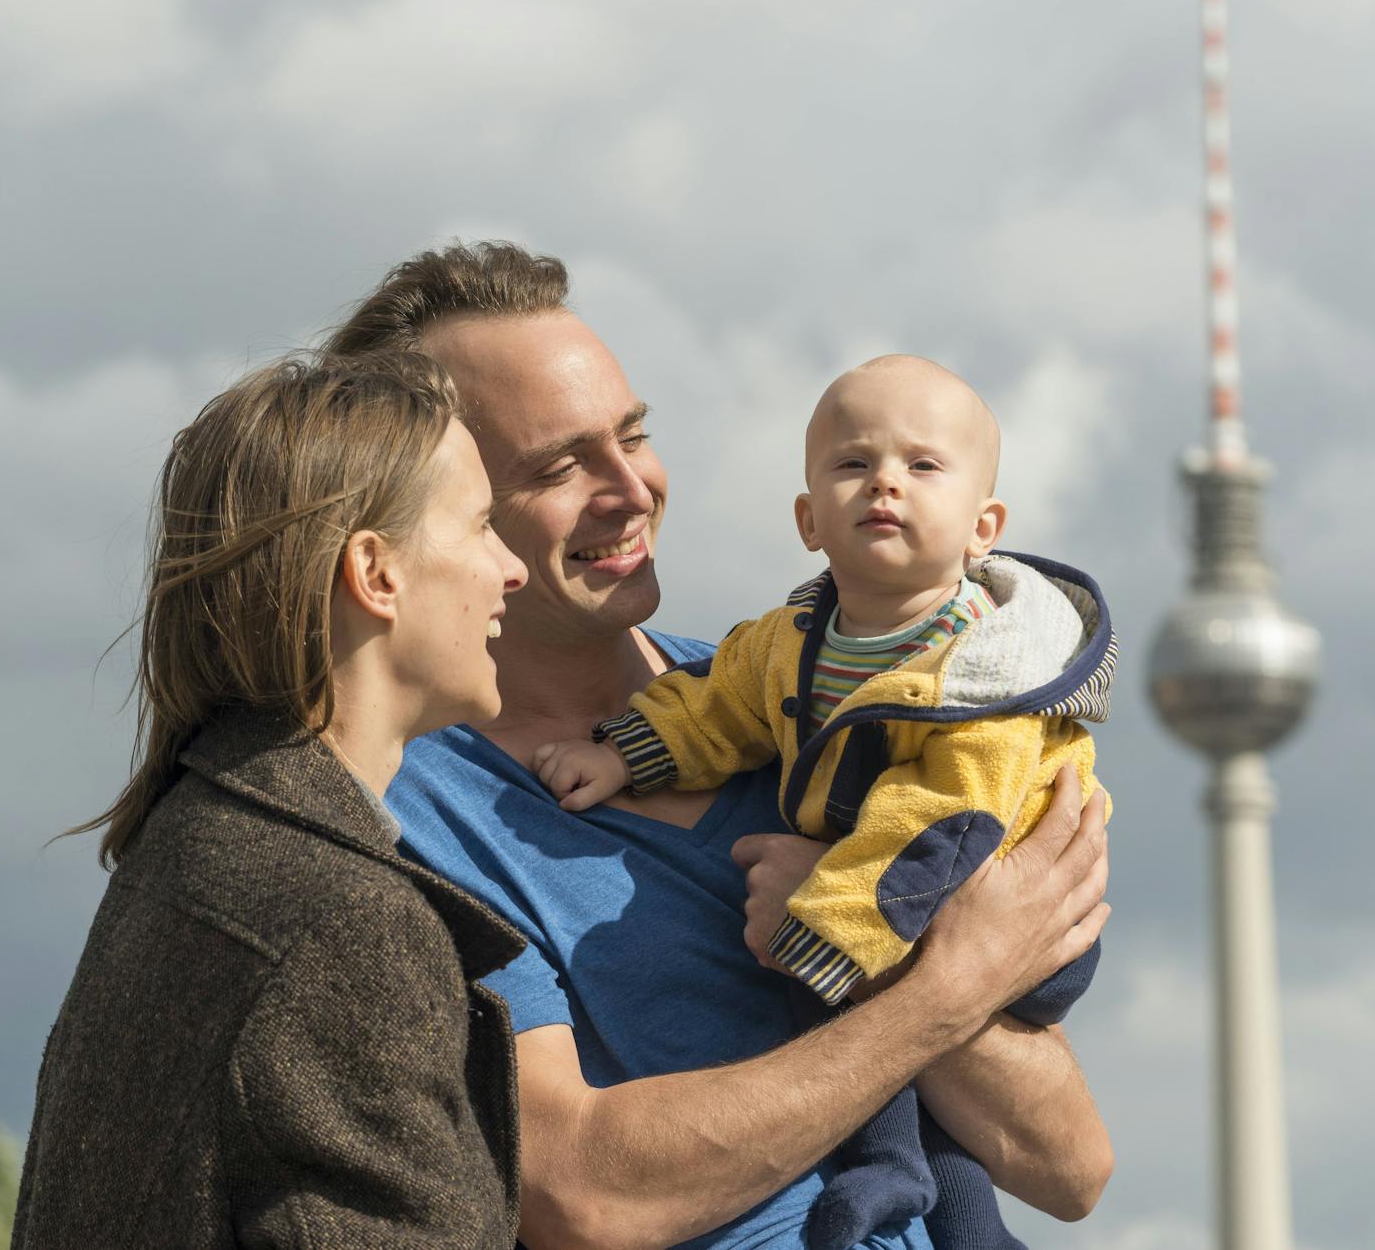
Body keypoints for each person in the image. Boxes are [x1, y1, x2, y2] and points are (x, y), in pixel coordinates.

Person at [325, 242, 1113, 1250]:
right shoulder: (405, 811)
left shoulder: (810, 697)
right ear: (443, 511)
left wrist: (871, 953)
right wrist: (941, 984)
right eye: (558, 465)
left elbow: (1068, 1163)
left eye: (632, 435)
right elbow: (580, 1194)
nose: (629, 489)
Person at [531, 353, 1115, 1248]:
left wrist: (835, 912)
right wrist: (624, 753)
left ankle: (914, 1196)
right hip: (885, 900)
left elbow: (947, 813)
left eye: (923, 466)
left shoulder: (985, 677)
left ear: (982, 528)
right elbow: (718, 703)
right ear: (808, 519)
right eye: (853, 464)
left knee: (885, 1059)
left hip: (984, 885)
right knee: (890, 1073)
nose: (885, 481)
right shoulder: (792, 641)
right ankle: (905, 1191)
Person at [13, 351, 532, 1248]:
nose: (510, 568)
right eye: (482, 526)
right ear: (376, 573)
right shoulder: (343, 926)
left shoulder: (194, 849)